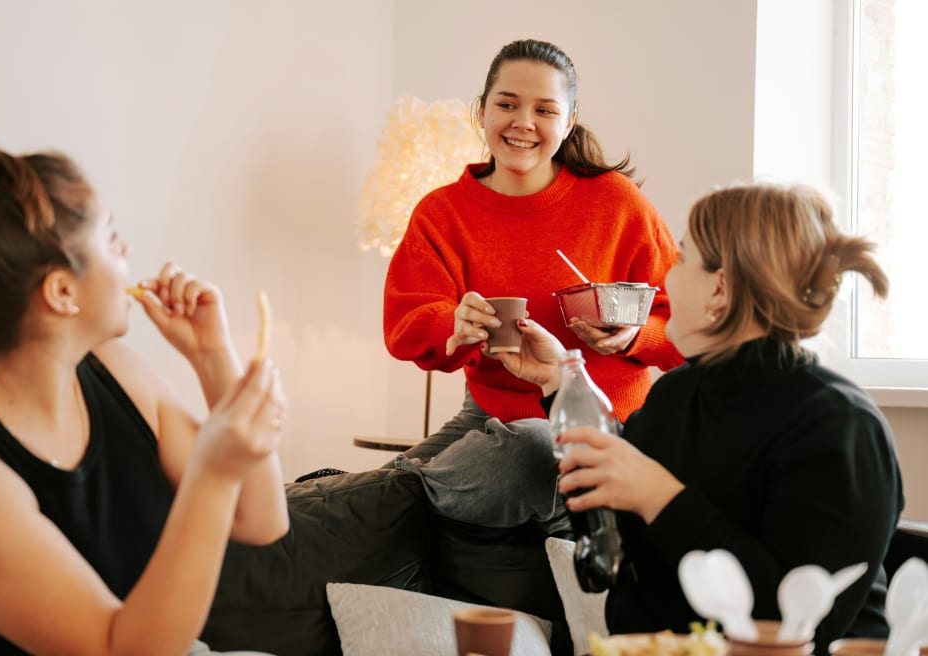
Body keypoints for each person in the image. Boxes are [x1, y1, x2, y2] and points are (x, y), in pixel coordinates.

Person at [0, 130, 290, 656]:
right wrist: (211, 472)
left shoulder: (114, 372)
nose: (128, 252)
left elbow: (260, 521)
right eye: (111, 237)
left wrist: (212, 355)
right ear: (62, 291)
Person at [495, 181, 903, 653]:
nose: (665, 278)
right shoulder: (677, 393)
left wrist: (660, 498)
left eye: (682, 257)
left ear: (720, 288)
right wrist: (558, 381)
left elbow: (793, 624)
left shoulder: (842, 428)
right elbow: (621, 497)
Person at [383, 38, 683, 483]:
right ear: (482, 111)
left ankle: (412, 488)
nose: (523, 123)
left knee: (530, 449)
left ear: (569, 122)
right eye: (507, 104)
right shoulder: (441, 214)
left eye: (545, 110)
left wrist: (635, 336)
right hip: (489, 423)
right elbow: (406, 327)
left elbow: (687, 328)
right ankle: (369, 494)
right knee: (373, 502)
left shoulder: (618, 203)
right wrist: (454, 325)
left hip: (604, 425)